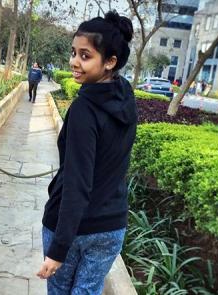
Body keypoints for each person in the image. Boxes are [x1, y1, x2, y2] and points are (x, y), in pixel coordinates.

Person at [37, 11, 137, 295]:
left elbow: (77, 184)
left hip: (72, 228)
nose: (73, 62)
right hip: (111, 226)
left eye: (85, 55)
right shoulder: (126, 97)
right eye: (73, 53)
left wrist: (58, 250)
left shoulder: (84, 110)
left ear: (110, 62)